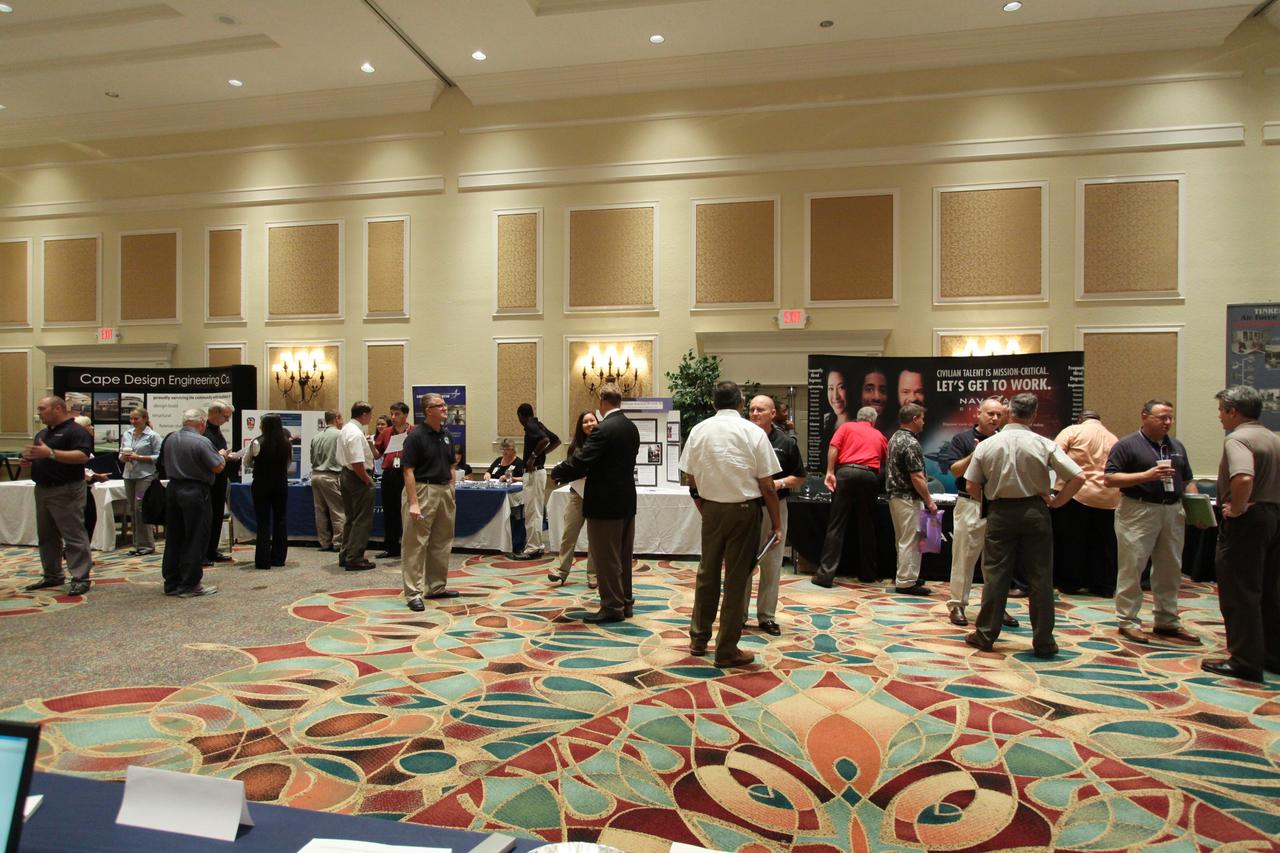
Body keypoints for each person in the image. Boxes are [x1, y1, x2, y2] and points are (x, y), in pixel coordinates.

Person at [964, 393, 1084, 657]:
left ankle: (985, 635)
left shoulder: (987, 445)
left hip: (1000, 513)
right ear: (1034, 414)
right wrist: (1057, 502)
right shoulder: (1043, 443)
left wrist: (990, 500)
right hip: (1035, 512)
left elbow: (971, 484)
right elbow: (1077, 476)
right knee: (1041, 577)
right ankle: (1044, 642)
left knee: (996, 575)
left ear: (1008, 412)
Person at [678, 381, 782, 667]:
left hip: (711, 509)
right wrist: (776, 522)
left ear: (714, 404)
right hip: (744, 510)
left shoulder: (699, 430)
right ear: (740, 402)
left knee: (707, 573)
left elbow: (691, 478)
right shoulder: (752, 432)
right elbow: (768, 485)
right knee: (737, 579)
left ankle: (698, 639)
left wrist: (704, 506)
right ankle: (726, 649)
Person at [1103, 400, 1202, 645]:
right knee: (1132, 566)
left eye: (1170, 418)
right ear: (1145, 416)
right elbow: (1110, 479)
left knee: (1170, 568)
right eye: (1161, 417)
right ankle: (1128, 620)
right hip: (1138, 510)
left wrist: (1196, 507)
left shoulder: (1176, 446)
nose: (1167, 422)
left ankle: (1167, 621)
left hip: (1172, 511)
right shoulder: (1127, 445)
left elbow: (1187, 479)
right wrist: (1146, 476)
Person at [1202, 386, 1280, 683]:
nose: (1220, 416)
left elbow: (1243, 477)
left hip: (1248, 520)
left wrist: (1235, 508)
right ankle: (1272, 654)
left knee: (1240, 590)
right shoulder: (1272, 438)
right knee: (1269, 590)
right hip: (1274, 515)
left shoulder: (1238, 439)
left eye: (1222, 410)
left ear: (1233, 411)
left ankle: (1245, 660)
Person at [551, 383, 640, 624]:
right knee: (622, 555)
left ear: (602, 401)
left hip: (604, 503)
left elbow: (582, 461)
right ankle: (626, 602)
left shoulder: (603, 430)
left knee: (606, 557)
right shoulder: (631, 428)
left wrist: (558, 472)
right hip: (625, 501)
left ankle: (612, 606)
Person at [939, 397, 1017, 628]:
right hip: (970, 503)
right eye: (990, 414)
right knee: (964, 557)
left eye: (998, 415)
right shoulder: (962, 439)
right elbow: (954, 470)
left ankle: (995, 607)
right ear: (978, 414)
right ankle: (957, 605)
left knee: (997, 561)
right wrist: (977, 452)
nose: (994, 418)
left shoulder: (1005, 439)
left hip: (999, 505)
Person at [744, 395, 806, 636]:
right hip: (747, 507)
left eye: (760, 410)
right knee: (744, 563)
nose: (755, 414)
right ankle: (738, 615)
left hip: (775, 508)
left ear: (772, 414)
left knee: (771, 564)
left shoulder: (786, 442)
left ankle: (766, 616)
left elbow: (799, 476)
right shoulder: (742, 438)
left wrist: (777, 484)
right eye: (751, 409)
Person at [21, 396, 95, 596]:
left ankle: (81, 577)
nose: (39, 413)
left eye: (42, 409)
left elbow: (82, 456)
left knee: (73, 535)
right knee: (46, 536)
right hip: (43, 489)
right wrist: (30, 461)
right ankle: (52, 575)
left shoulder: (75, 431)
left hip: (67, 489)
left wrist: (50, 453)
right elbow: (42, 455)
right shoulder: (43, 433)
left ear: (57, 409)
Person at [813, 406, 887, 587]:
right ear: (873, 421)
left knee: (836, 525)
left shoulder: (845, 427)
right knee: (867, 525)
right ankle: (868, 574)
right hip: (869, 475)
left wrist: (830, 471)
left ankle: (825, 575)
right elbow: (886, 460)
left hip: (845, 473)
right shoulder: (880, 435)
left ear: (857, 418)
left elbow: (833, 447)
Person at [158, 408, 225, 598]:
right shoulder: (202, 441)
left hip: (172, 489)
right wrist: (222, 456)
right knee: (196, 537)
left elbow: (162, 462)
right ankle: (190, 583)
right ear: (202, 423)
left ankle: (171, 582)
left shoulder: (170, 438)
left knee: (174, 537)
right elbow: (218, 467)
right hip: (195, 491)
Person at [1053, 411, 1121, 597]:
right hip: (1108, 497)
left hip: (1076, 494)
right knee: (1103, 543)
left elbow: (1053, 454)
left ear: (1080, 419)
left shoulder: (1072, 431)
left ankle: (1071, 583)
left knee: (1072, 540)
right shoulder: (1113, 437)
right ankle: (1103, 585)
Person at [401, 393, 459, 610]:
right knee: (415, 544)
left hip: (444, 490)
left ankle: (436, 587)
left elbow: (452, 466)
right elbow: (408, 471)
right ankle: (413, 593)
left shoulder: (446, 434)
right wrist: (413, 502)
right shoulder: (415, 437)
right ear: (428, 411)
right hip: (423, 490)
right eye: (440, 405)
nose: (445, 408)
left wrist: (452, 491)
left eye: (445, 404)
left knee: (442, 542)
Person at [886, 403, 937, 595]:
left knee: (902, 539)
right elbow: (917, 477)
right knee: (911, 540)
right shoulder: (911, 443)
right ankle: (907, 581)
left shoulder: (895, 438)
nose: (924, 422)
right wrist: (929, 501)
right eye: (922, 418)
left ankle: (904, 575)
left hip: (895, 496)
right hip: (908, 498)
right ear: (915, 419)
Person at [551, 411, 598, 588]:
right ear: (580, 426)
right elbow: (570, 468)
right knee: (569, 534)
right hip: (576, 495)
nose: (589, 424)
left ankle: (593, 575)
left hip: (596, 496)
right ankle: (561, 572)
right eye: (585, 422)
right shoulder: (575, 447)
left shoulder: (603, 444)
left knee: (595, 539)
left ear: (598, 422)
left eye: (592, 420)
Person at [240, 413, 292, 570]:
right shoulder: (286, 443)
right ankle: (279, 558)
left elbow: (247, 462)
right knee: (280, 519)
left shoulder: (257, 442)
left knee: (263, 521)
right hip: (281, 483)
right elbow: (288, 464)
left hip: (262, 483)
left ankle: (263, 560)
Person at [513, 402, 561, 560]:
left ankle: (532, 548)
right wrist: (542, 454)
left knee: (531, 512)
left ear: (520, 415)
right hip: (540, 472)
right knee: (537, 511)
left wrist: (533, 457)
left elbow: (545, 439)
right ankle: (538, 545)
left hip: (533, 473)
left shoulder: (530, 425)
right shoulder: (538, 423)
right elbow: (556, 441)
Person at [337, 401, 377, 571]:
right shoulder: (355, 433)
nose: (371, 418)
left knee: (351, 517)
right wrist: (366, 479)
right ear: (364, 414)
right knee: (362, 519)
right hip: (357, 477)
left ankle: (346, 553)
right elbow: (357, 461)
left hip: (346, 474)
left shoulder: (346, 429)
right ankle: (354, 557)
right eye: (370, 414)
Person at [373, 402, 414, 560]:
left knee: (409, 511)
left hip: (408, 473)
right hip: (390, 474)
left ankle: (410, 547)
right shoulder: (386, 433)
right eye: (392, 414)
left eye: (397, 414)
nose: (393, 417)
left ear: (405, 415)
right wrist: (369, 445)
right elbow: (377, 454)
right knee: (390, 512)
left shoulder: (414, 432)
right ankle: (391, 547)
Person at [120, 407, 161, 556]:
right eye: (131, 419)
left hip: (145, 475)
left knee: (140, 508)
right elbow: (121, 453)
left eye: (136, 418)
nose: (133, 421)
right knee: (132, 509)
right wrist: (123, 457)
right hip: (129, 475)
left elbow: (159, 456)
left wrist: (140, 458)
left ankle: (147, 544)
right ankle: (137, 544)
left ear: (144, 419)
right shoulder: (127, 434)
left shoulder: (153, 436)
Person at [203, 400, 236, 566]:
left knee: (216, 516)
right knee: (207, 517)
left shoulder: (216, 431)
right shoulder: (203, 431)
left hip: (221, 478)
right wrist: (221, 455)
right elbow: (205, 456)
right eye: (225, 417)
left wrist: (226, 456)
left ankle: (212, 550)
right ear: (214, 413)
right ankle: (204, 552)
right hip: (209, 480)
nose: (227, 420)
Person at [309, 411, 345, 553]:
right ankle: (339, 542)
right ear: (337, 419)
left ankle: (324, 542)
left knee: (320, 511)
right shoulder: (339, 435)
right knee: (338, 511)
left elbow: (312, 459)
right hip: (331, 475)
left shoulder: (317, 437)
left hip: (316, 475)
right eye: (342, 418)